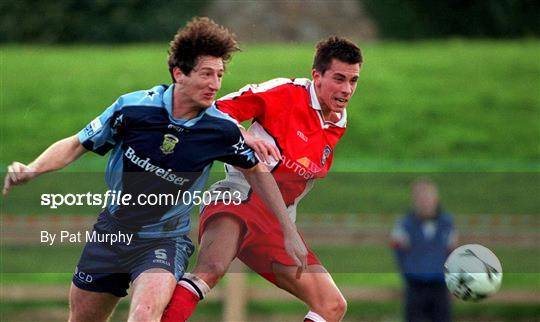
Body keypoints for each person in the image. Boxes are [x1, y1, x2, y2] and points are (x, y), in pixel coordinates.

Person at [2, 17, 306, 322]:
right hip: (112, 233)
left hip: (164, 241)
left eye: (220, 75)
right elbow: (77, 143)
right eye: (206, 74)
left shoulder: (221, 130)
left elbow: (258, 173)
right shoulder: (133, 109)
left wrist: (288, 231)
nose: (215, 84)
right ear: (179, 73)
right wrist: (32, 169)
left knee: (145, 315)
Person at [162, 36, 362, 322]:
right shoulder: (285, 93)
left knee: (332, 306)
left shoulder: (337, 122)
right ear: (316, 76)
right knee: (211, 268)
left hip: (277, 220)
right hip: (240, 196)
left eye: (353, 81)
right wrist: (243, 135)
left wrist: (288, 228)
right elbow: (216, 110)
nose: (346, 89)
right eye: (339, 79)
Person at [390, 178, 458, 322]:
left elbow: (451, 250)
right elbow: (398, 250)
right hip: (415, 283)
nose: (425, 202)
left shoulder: (446, 223)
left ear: (436, 199)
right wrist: (408, 270)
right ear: (414, 201)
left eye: (428, 197)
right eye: (421, 198)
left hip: (440, 282)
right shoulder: (405, 224)